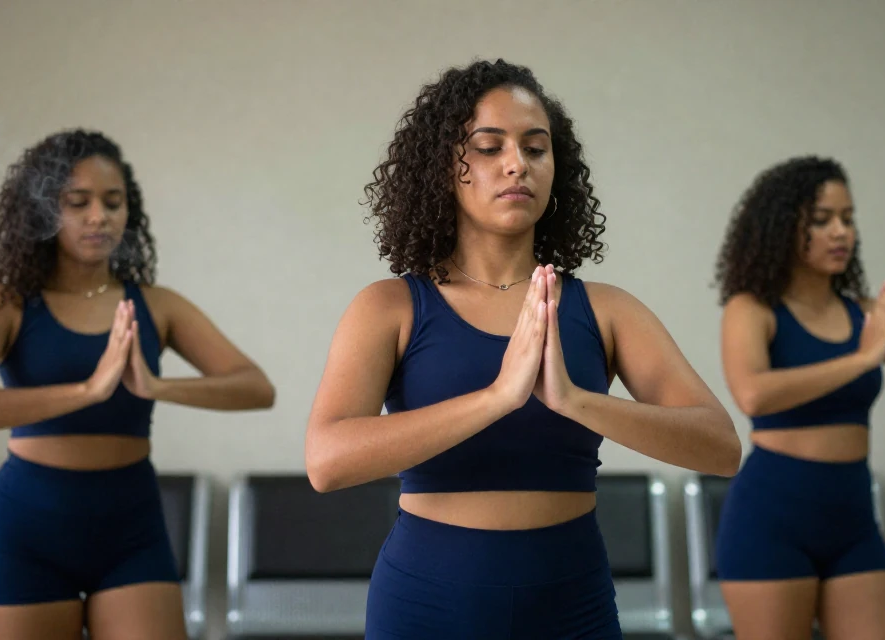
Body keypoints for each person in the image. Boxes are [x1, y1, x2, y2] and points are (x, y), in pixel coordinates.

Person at [305, 58, 741, 638]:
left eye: (536, 149)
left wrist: (577, 401)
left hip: (572, 606)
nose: (517, 164)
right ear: (445, 168)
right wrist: (495, 398)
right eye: (489, 147)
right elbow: (327, 462)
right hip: (427, 605)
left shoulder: (607, 310)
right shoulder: (389, 307)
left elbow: (721, 448)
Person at [0, 129, 276, 640]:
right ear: (46, 210)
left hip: (130, 523)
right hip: (29, 526)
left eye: (113, 203)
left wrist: (157, 387)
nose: (100, 216)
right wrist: (87, 390)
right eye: (79, 202)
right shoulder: (4, 303)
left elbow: (255, 387)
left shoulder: (157, 304)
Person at [711, 155, 885, 640]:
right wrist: (861, 361)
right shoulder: (752, 308)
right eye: (821, 220)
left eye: (847, 218)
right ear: (783, 227)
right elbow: (754, 395)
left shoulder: (869, 314)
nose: (841, 232)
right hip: (771, 520)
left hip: (852, 521)